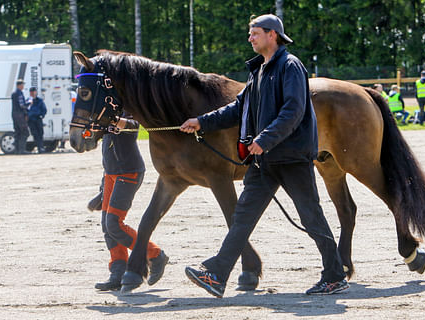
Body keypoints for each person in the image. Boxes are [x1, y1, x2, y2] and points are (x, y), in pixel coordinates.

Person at [180, 14, 348, 297]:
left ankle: (334, 276)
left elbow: (293, 110)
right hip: (265, 161)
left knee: (311, 217)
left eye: (255, 33)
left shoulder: (290, 66)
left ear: (273, 35)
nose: (250, 38)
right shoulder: (258, 71)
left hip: (292, 158)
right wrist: (202, 121)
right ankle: (217, 275)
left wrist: (265, 138)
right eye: (250, 33)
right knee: (242, 217)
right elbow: (237, 109)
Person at [94, 113, 169, 291]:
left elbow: (135, 125)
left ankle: (155, 255)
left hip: (129, 171)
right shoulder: (105, 104)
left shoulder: (125, 101)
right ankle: (118, 271)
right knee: (107, 225)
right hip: (110, 172)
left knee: (114, 224)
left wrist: (112, 119)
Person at [11, 79, 30, 154]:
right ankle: (22, 150)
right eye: (22, 85)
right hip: (19, 115)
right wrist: (28, 104)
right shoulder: (19, 93)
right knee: (25, 132)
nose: (23, 86)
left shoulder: (14, 93)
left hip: (14, 114)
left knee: (17, 132)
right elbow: (22, 105)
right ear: (19, 85)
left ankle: (17, 150)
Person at [27, 87, 47, 153]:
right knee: (35, 134)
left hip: (38, 119)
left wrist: (42, 115)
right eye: (31, 92)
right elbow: (26, 110)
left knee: (40, 133)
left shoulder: (39, 100)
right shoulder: (28, 101)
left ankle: (41, 147)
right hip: (31, 120)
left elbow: (44, 109)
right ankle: (39, 147)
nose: (33, 93)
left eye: (34, 92)